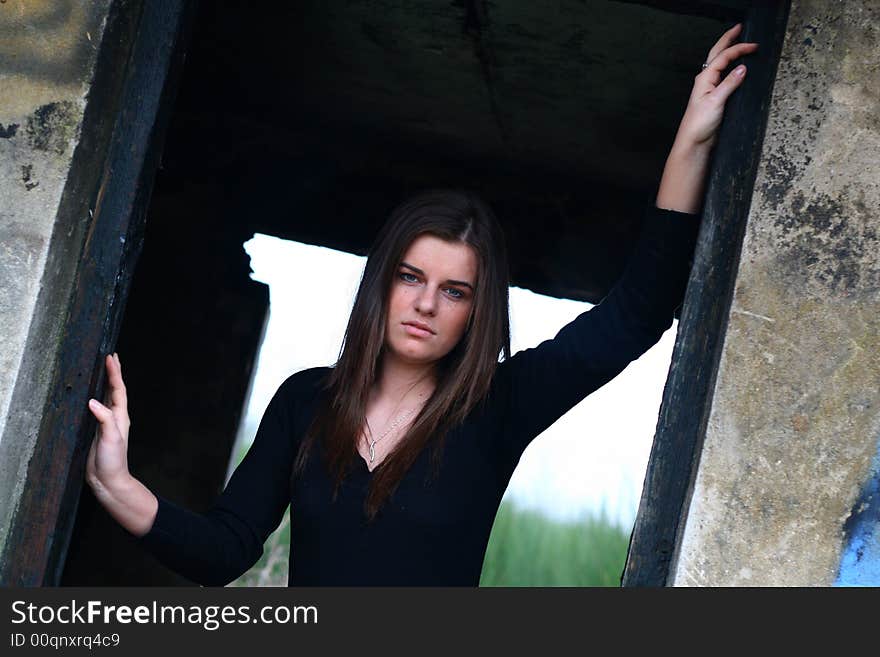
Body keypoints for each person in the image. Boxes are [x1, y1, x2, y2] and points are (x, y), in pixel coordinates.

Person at [86, 24, 759, 586]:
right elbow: (225, 548)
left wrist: (692, 140)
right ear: (382, 281)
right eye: (411, 277)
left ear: (476, 311)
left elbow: (637, 312)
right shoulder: (305, 404)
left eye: (454, 290)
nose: (426, 303)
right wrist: (118, 482)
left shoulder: (498, 407)